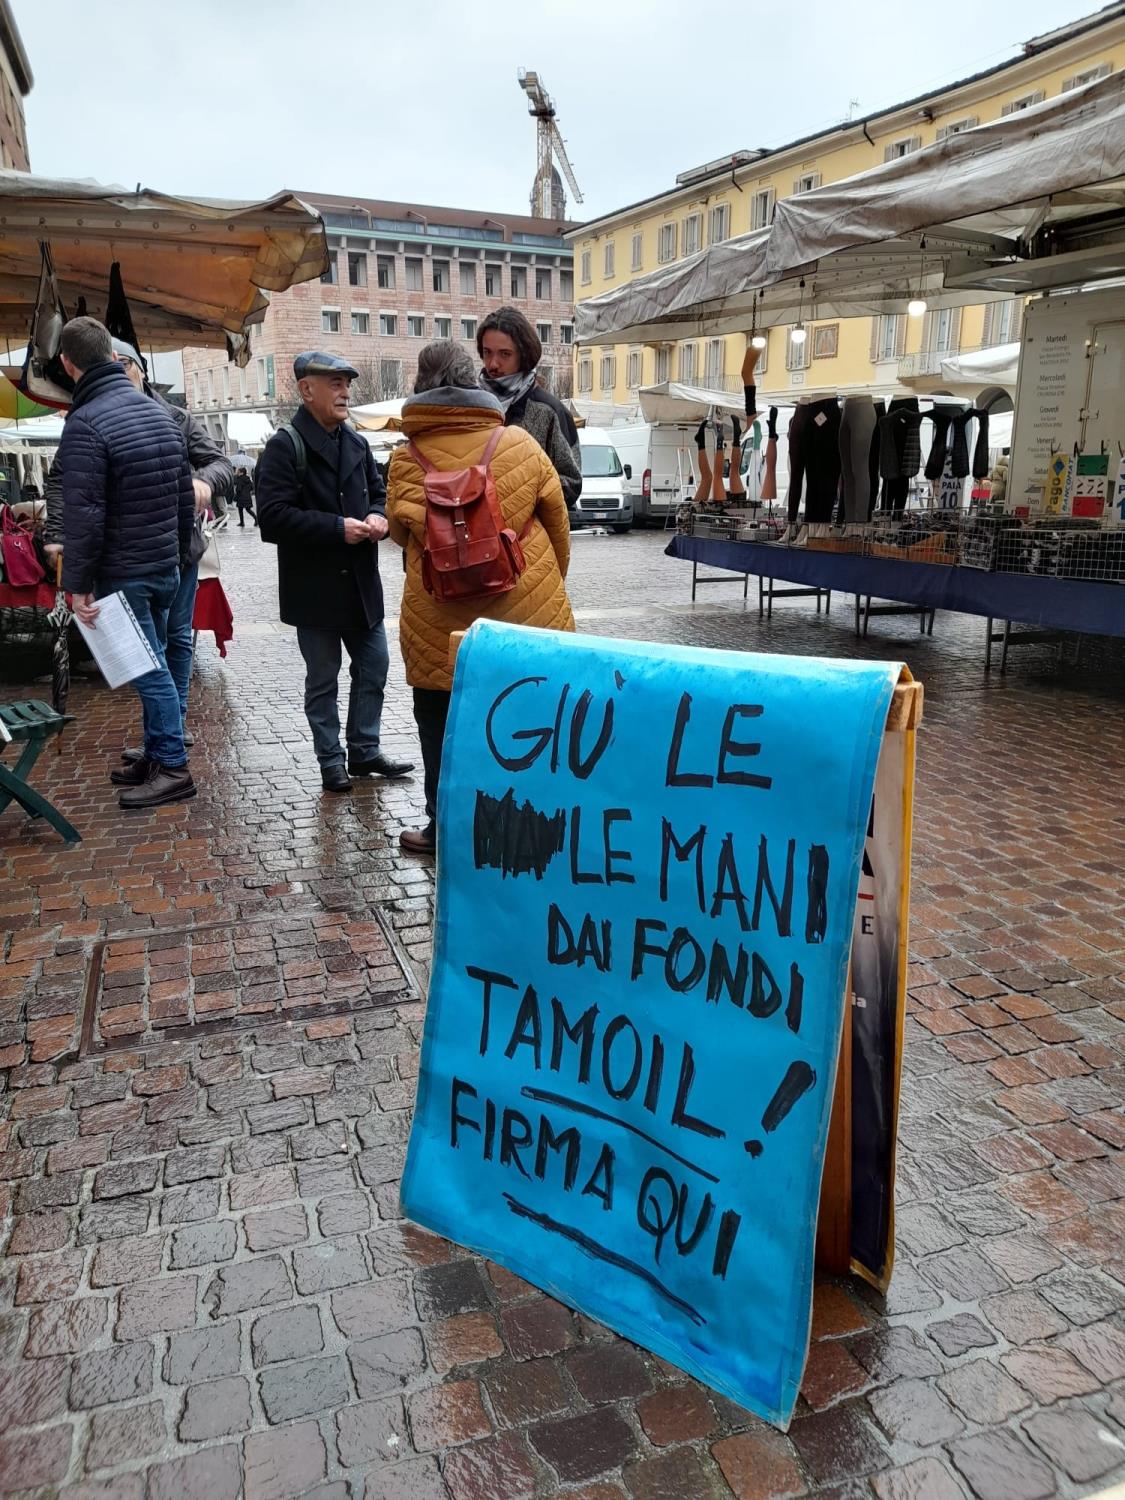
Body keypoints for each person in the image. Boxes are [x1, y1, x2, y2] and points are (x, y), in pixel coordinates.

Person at [387, 341, 575, 855]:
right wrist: (547, 580)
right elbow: (558, 525)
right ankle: (537, 827)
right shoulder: (517, 443)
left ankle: (443, 828)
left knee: (440, 723)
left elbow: (402, 537)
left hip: (437, 618)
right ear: (473, 382)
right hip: (527, 615)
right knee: (530, 718)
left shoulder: (405, 460)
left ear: (420, 387)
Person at [44, 338, 233, 764]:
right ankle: (164, 741)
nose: (123, 370)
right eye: (119, 363)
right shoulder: (90, 417)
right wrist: (57, 535)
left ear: (138, 368)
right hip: (136, 555)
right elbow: (65, 483)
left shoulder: (174, 417)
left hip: (178, 551)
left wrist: (203, 482)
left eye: (129, 363)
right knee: (148, 655)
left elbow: (220, 464)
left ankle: (170, 740)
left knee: (169, 646)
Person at [256, 351, 413, 794]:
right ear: (307, 390)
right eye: (335, 384)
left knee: (375, 666)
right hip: (316, 590)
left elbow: (378, 494)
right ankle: (331, 760)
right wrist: (335, 528)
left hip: (361, 586)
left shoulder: (356, 443)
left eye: (347, 384)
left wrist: (378, 516)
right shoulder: (284, 445)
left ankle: (364, 749)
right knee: (323, 680)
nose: (345, 392)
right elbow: (272, 518)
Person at [57, 316, 196, 809]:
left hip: (126, 570)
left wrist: (77, 584)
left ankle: (174, 766)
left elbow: (84, 514)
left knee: (149, 670)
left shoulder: (85, 423)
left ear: (67, 364)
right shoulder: (160, 413)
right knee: (156, 659)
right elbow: (184, 496)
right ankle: (157, 754)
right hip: (163, 566)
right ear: (114, 358)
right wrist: (178, 555)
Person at [477, 307, 582, 510]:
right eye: (487, 352)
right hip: (478, 527)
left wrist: (518, 494)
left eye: (505, 354)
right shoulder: (473, 407)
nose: (493, 363)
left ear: (523, 355)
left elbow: (572, 483)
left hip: (530, 528)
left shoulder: (549, 411)